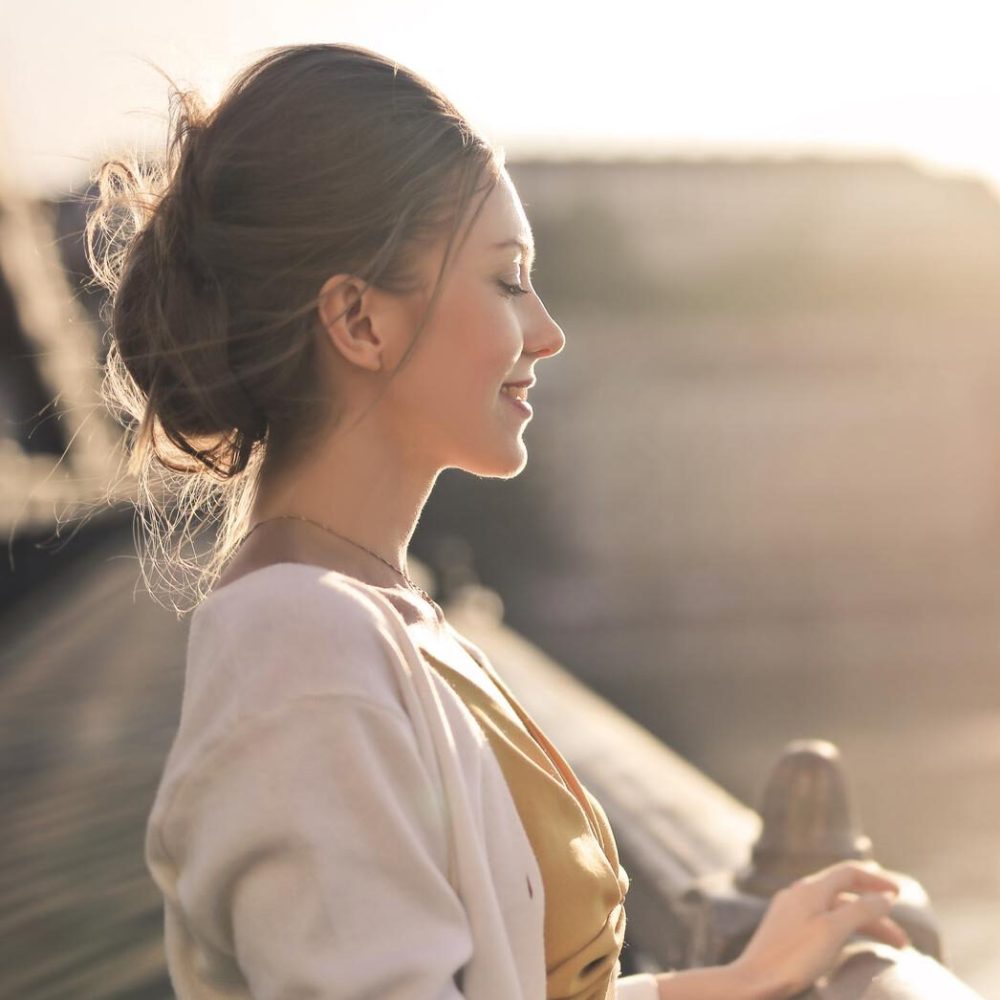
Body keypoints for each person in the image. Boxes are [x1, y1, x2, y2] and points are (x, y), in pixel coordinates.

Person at [87, 43, 909, 1000]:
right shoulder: (301, 648)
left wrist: (739, 978)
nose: (548, 330)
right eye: (509, 279)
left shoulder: (366, 614)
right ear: (359, 321)